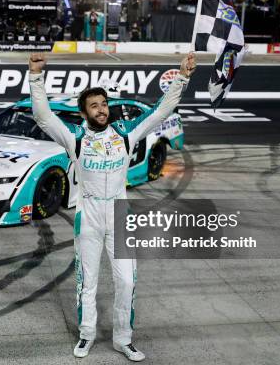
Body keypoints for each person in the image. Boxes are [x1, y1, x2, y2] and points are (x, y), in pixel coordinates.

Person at [28, 52, 197, 361]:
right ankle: (86, 335)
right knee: (86, 284)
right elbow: (43, 117)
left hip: (120, 215)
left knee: (127, 281)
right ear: (83, 112)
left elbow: (162, 111)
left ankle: (124, 339)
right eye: (94, 106)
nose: (102, 109)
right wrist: (36, 76)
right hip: (88, 215)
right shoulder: (75, 137)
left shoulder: (125, 133)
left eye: (104, 104)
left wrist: (182, 78)